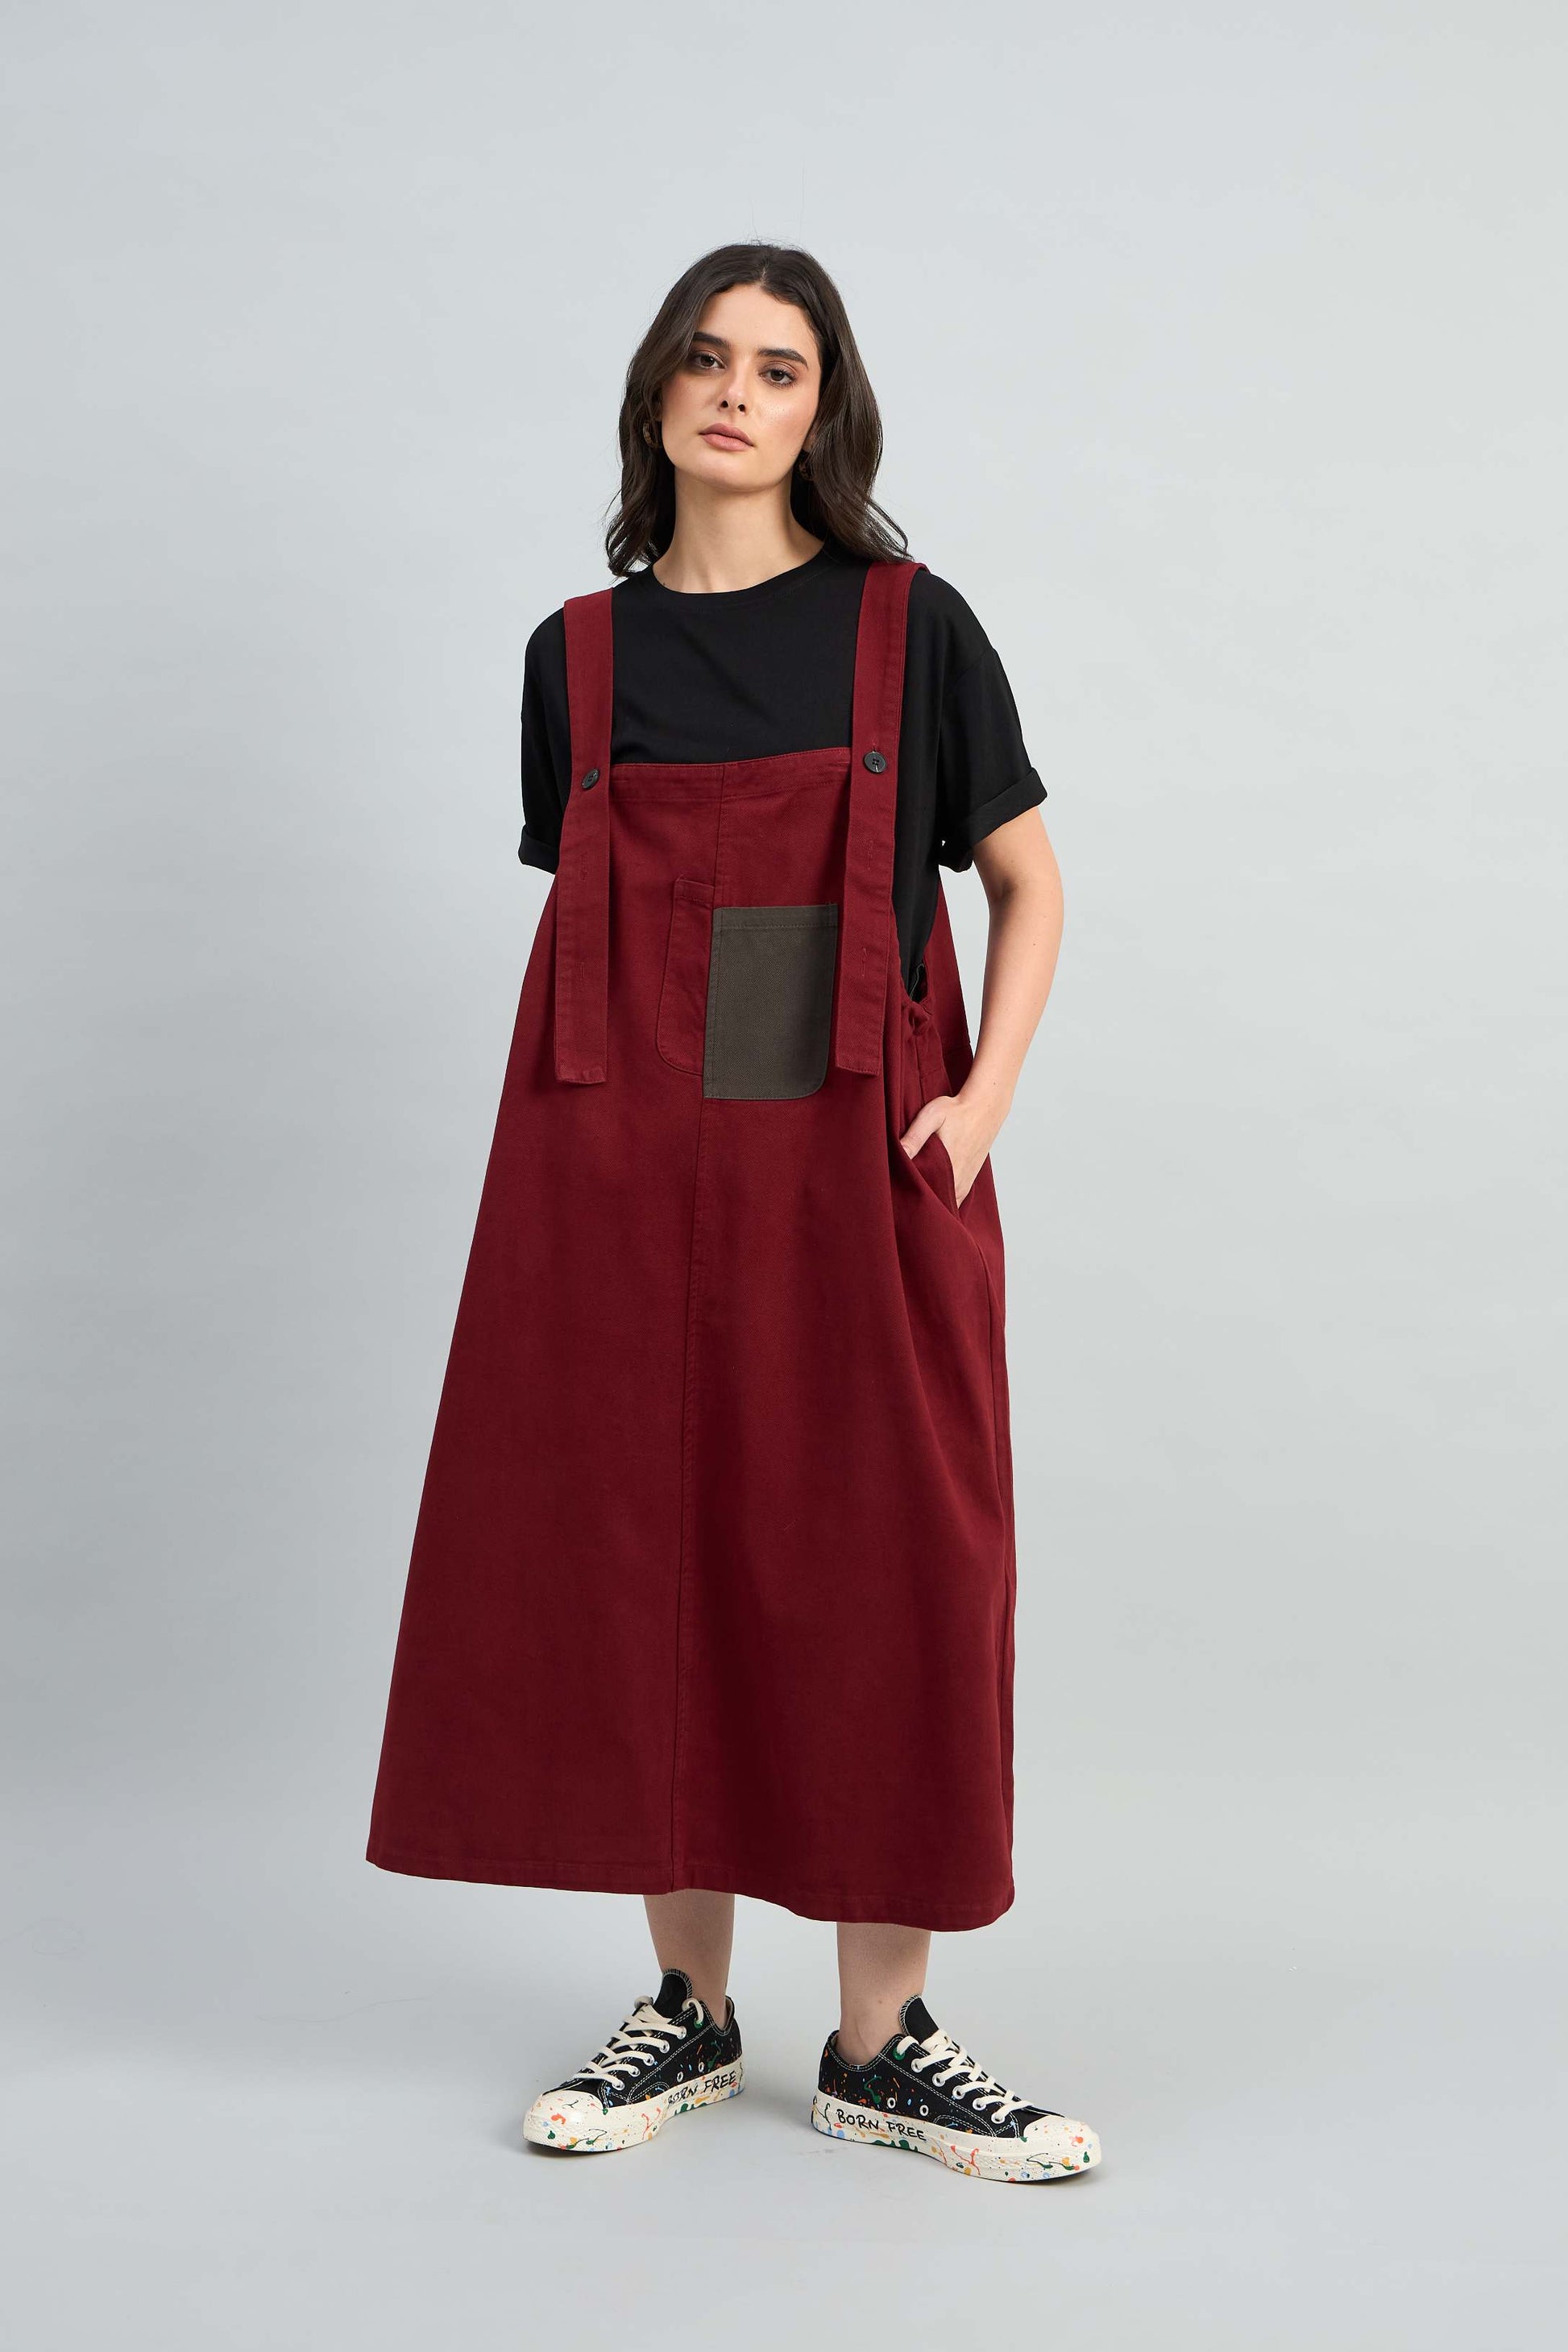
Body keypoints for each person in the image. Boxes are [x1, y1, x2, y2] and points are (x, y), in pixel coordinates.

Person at [365, 242, 1101, 2185]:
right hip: (615, 1173)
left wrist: (977, 1110)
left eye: (779, 367)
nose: (736, 392)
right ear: (657, 393)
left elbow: (1027, 882)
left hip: (855, 1161)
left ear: (822, 409)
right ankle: (686, 2008)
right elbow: (613, 924)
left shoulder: (911, 629)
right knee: (641, 1549)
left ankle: (881, 2038)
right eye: (705, 358)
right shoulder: (577, 659)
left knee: (890, 1555)